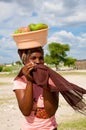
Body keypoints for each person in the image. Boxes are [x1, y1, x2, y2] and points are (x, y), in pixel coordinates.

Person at [13, 46, 59, 130]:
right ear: (25, 61)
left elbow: (51, 111)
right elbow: (26, 111)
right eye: (33, 58)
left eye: (41, 58)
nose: (38, 62)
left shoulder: (51, 79)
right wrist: (29, 81)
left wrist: (44, 81)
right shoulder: (20, 81)